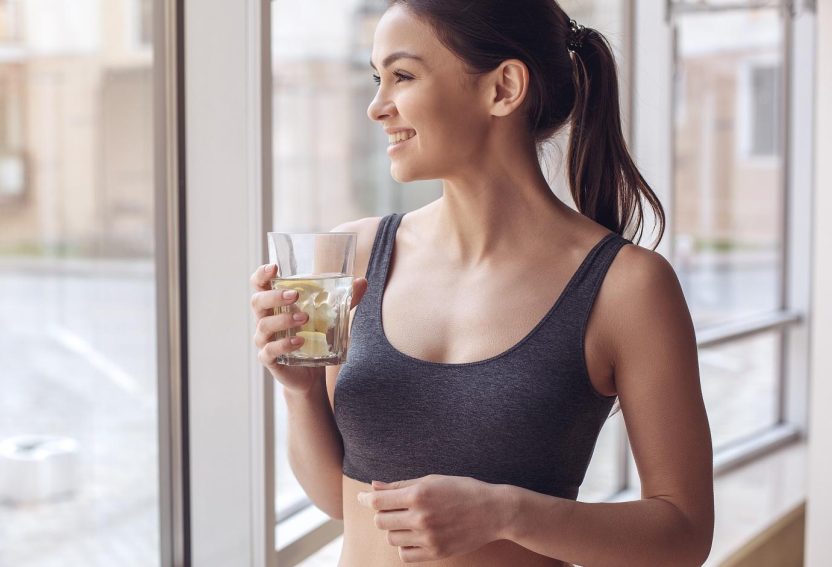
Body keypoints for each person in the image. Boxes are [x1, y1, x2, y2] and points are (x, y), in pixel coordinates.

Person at [250, 1, 714, 565]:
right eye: (377, 78)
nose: (377, 106)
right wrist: (298, 390)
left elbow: (685, 534)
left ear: (503, 88)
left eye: (402, 75)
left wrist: (507, 513)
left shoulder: (627, 287)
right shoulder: (356, 257)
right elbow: (341, 501)